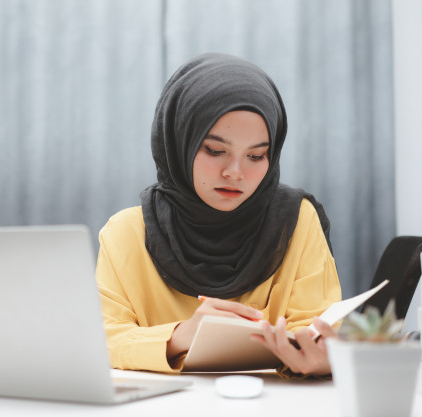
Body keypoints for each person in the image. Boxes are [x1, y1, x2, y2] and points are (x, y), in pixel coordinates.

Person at [95, 53, 342, 377]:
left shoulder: (296, 221)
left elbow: (316, 329)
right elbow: (101, 340)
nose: (235, 172)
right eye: (215, 150)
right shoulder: (125, 233)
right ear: (179, 141)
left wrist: (322, 361)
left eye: (256, 155)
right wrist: (181, 335)